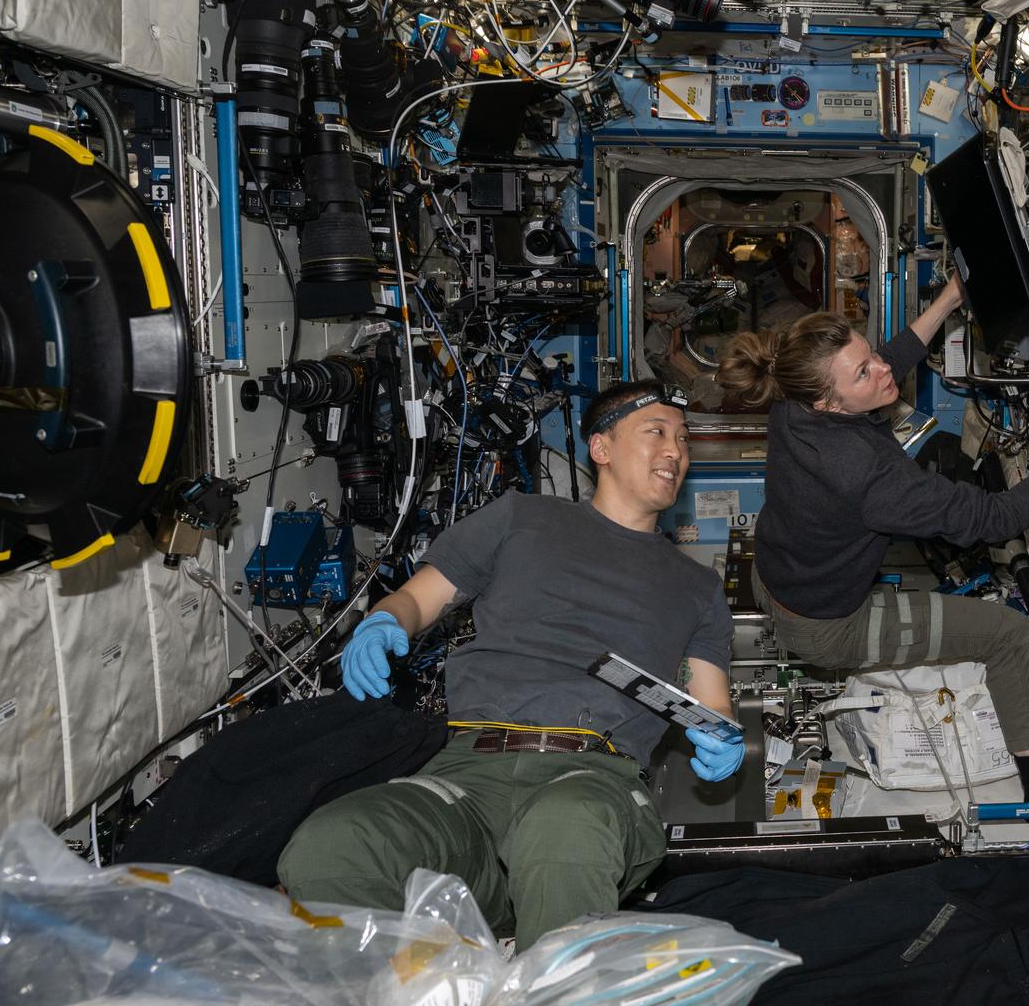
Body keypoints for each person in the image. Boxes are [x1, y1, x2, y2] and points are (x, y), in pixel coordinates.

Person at [276, 380, 742, 948]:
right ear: (601, 448)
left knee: (565, 826)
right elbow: (419, 598)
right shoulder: (521, 518)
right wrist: (382, 623)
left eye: (683, 441)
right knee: (334, 841)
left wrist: (722, 737)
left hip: (591, 780)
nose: (675, 451)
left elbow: (710, 703)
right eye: (656, 433)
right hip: (467, 778)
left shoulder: (696, 586)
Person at [717, 279, 1029, 833]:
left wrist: (950, 299)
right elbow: (997, 520)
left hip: (778, 578)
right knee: (1009, 635)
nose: (882, 371)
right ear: (828, 402)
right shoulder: (866, 476)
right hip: (825, 625)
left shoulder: (791, 399)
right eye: (863, 373)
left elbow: (888, 361)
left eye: (869, 354)